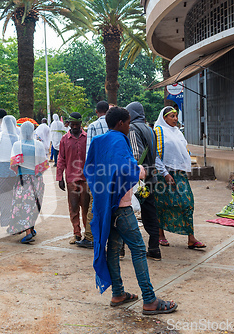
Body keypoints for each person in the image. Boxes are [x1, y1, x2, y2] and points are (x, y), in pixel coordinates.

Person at [84, 106, 177, 314]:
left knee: (114, 249)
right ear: (120, 123)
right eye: (127, 123)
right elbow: (127, 170)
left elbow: (89, 169)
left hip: (107, 205)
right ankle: (150, 300)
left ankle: (118, 293)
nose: (129, 127)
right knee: (137, 249)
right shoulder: (119, 140)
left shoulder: (99, 141)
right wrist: (141, 171)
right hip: (122, 207)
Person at [154, 106, 205, 249]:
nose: (176, 119)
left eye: (176, 116)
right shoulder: (158, 131)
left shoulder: (178, 133)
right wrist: (165, 174)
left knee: (187, 202)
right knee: (162, 205)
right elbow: (156, 155)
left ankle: (191, 238)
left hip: (179, 174)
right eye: (172, 116)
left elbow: (184, 151)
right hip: (163, 174)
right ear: (164, 118)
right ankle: (160, 234)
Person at [126, 101, 162, 261]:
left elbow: (136, 155)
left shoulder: (133, 128)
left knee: (126, 211)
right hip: (152, 177)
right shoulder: (149, 129)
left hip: (140, 180)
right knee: (150, 213)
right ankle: (154, 248)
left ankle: (122, 248)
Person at [8, 121, 49, 243]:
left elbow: (13, 164)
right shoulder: (38, 145)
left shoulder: (17, 145)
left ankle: (28, 232)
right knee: (35, 204)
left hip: (22, 179)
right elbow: (44, 164)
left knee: (23, 204)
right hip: (36, 179)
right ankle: (31, 228)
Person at [56, 112, 90, 245]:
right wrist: (60, 177)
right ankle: (76, 233)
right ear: (69, 124)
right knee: (73, 208)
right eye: (72, 124)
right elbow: (61, 158)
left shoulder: (87, 138)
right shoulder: (64, 139)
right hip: (71, 179)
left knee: (86, 208)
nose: (75, 127)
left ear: (81, 124)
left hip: (86, 179)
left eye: (77, 124)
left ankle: (88, 234)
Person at [80, 101, 110, 249]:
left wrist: (88, 173)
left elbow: (89, 152)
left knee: (94, 203)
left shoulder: (92, 126)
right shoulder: (115, 124)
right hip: (113, 171)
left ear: (97, 111)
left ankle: (90, 237)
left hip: (98, 172)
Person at [0, 115, 19, 228]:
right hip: (15, 172)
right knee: (16, 198)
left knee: (3, 198)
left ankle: (6, 221)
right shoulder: (17, 138)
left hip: (0, 172)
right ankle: (15, 222)